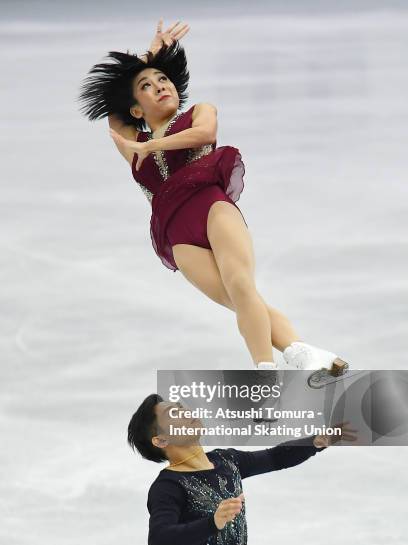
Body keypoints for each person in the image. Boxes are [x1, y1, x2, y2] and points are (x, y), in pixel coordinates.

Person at [77, 18, 349, 374]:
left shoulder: (198, 112)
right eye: (146, 85)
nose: (160, 85)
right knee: (240, 300)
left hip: (213, 209)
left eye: (163, 79)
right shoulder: (133, 146)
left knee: (240, 284)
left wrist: (155, 140)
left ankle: (265, 374)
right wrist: (149, 56)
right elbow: (113, 110)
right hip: (177, 236)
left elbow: (204, 134)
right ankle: (303, 353)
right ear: (136, 109)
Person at [128, 394, 357, 545]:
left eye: (181, 407)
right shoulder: (169, 486)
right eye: (173, 414)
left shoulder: (225, 460)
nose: (185, 412)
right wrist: (213, 522)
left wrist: (316, 441)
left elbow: (274, 457)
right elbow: (159, 541)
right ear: (160, 440)